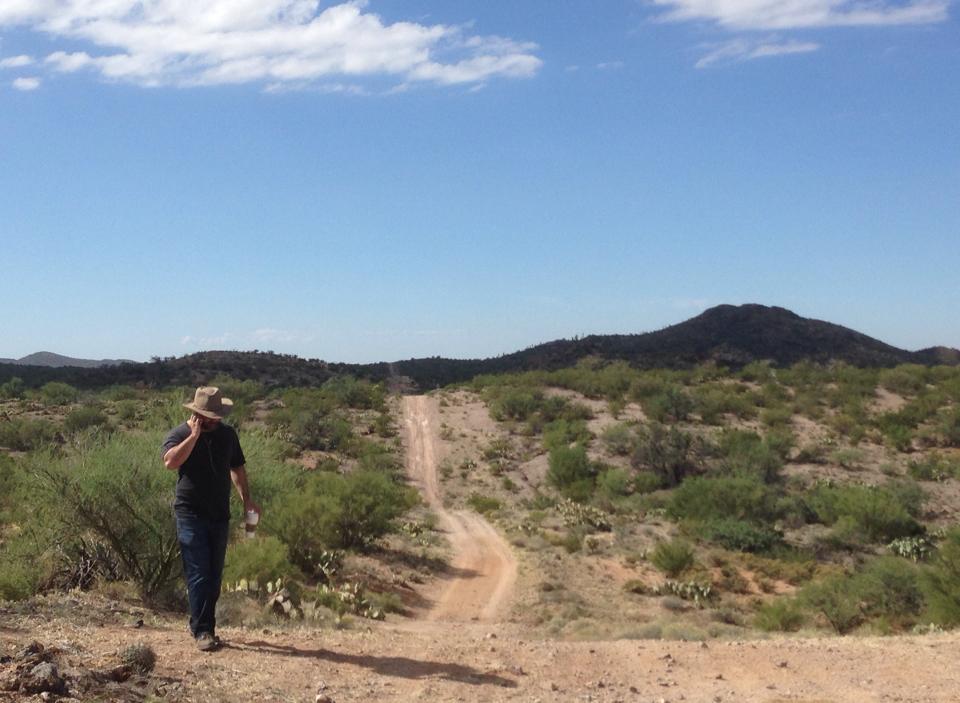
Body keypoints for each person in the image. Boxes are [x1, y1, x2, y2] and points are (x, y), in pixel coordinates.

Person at [162, 386, 260, 651]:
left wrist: (247, 500)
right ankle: (204, 631)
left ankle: (199, 623)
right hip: (190, 513)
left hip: (219, 515)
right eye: (208, 416)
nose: (214, 420)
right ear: (196, 414)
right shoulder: (180, 434)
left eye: (217, 416)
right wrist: (193, 438)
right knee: (198, 572)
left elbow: (236, 467)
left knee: (214, 576)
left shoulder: (227, 435)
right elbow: (170, 462)